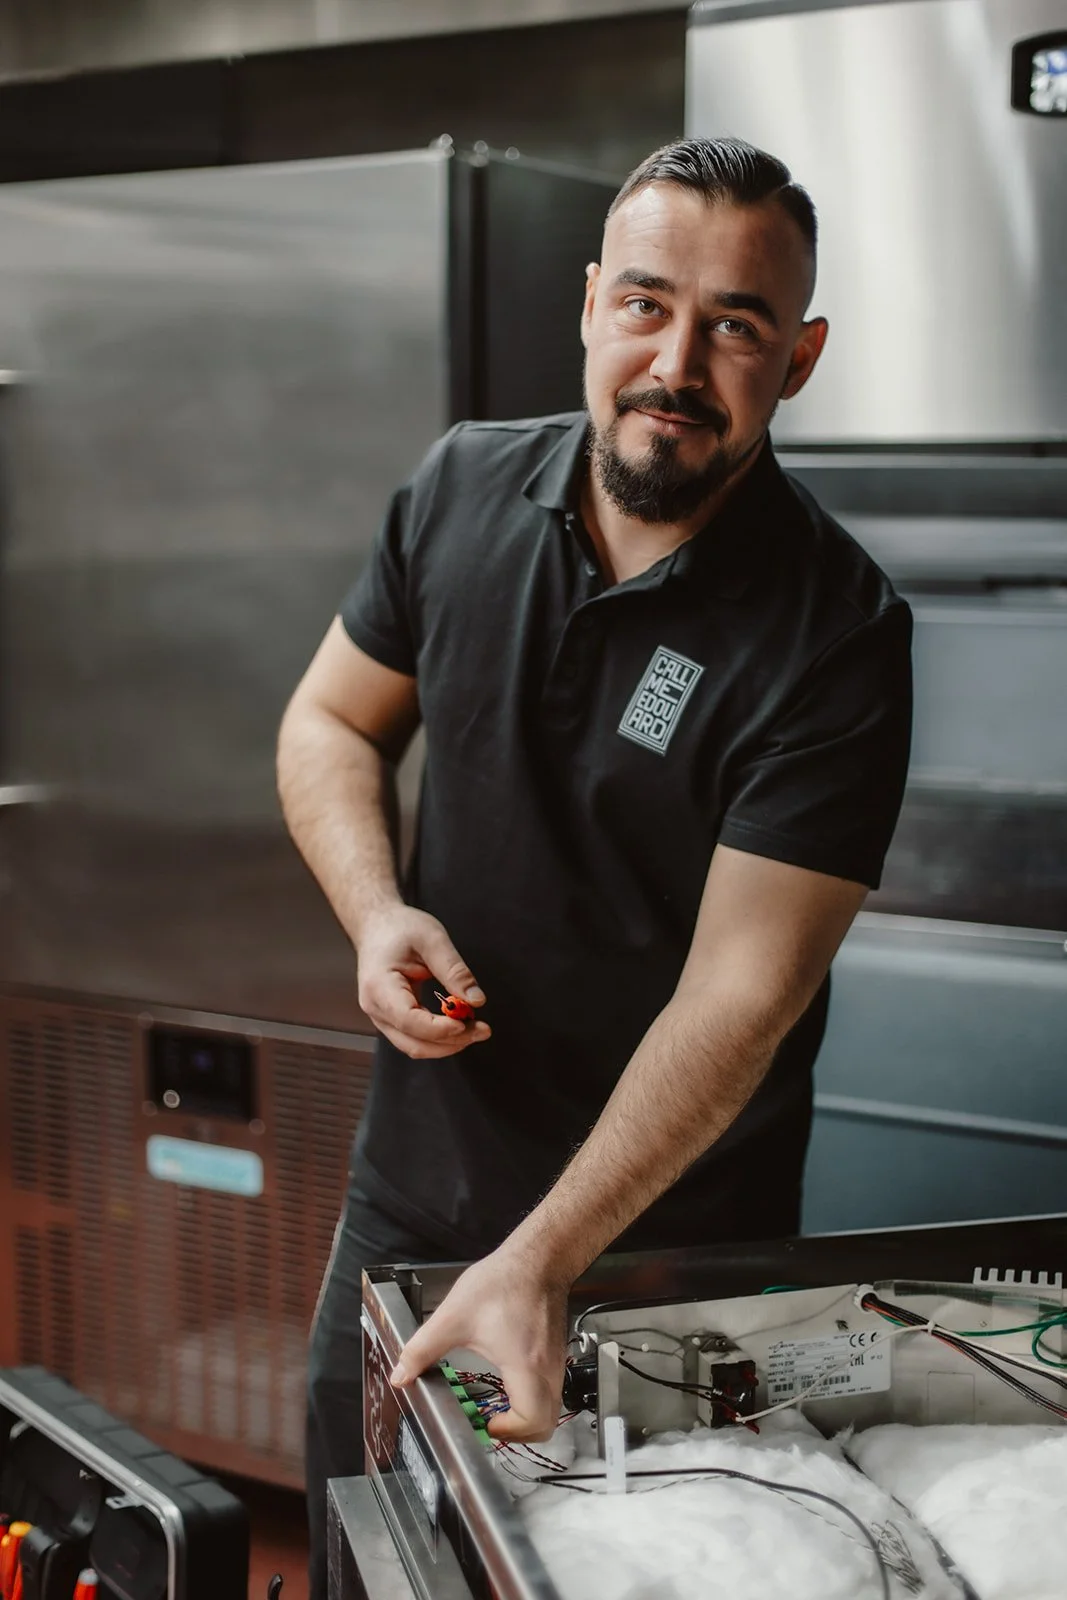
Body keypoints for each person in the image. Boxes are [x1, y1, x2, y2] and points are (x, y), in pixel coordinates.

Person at [277, 136, 912, 1597]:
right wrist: (375, 912)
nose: (674, 359)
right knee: (357, 1555)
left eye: (734, 324)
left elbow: (740, 997)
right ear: (588, 306)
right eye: (644, 303)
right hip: (412, 1194)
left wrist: (547, 1255)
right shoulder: (455, 489)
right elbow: (328, 719)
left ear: (797, 357)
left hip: (670, 1255)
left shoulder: (835, 633)